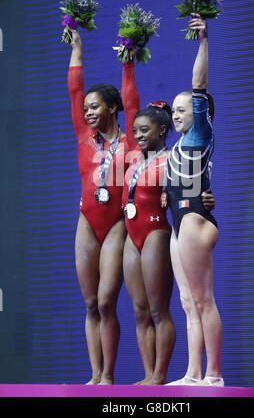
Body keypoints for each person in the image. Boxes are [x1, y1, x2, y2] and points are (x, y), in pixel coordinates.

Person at [120, 56, 215, 385]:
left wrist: (206, 195)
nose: (138, 135)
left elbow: (198, 174)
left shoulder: (184, 144)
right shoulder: (146, 155)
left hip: (175, 227)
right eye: (135, 131)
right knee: (164, 306)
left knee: (188, 304)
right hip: (154, 230)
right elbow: (130, 105)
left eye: (181, 110)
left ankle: (200, 375)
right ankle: (171, 375)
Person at [66, 28, 138, 384]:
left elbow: (132, 101)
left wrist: (128, 66)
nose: (88, 112)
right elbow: (74, 89)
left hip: (115, 224)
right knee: (90, 303)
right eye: (85, 110)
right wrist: (76, 48)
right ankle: (94, 376)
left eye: (95, 107)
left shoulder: (131, 142)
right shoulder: (83, 135)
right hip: (87, 221)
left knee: (107, 300)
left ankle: (109, 376)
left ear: (111, 108)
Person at [163, 14, 224, 387]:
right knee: (187, 303)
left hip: (194, 219)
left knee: (203, 301)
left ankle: (214, 375)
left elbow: (199, 83)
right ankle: (192, 374)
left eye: (182, 109)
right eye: (174, 110)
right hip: (177, 220)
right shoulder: (179, 146)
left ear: (200, 114)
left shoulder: (200, 132)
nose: (176, 114)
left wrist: (203, 41)